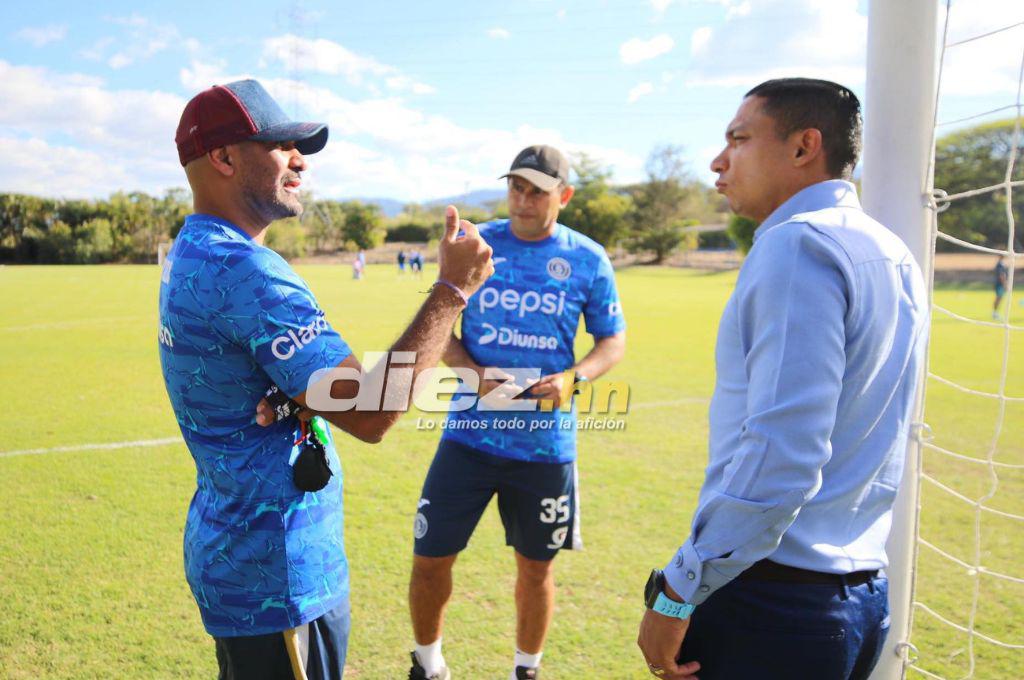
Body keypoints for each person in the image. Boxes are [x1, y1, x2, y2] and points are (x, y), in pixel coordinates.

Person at [159, 79, 493, 680]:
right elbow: (372, 412)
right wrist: (451, 291)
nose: (300, 160)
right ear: (225, 158)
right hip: (276, 576)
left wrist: (296, 401)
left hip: (237, 555)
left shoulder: (194, 249)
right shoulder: (246, 270)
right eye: (280, 145)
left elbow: (250, 379)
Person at [636, 78, 929, 680]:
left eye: (738, 139)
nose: (718, 161)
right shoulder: (892, 252)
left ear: (804, 147)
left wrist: (677, 590)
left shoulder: (796, 246)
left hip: (774, 604)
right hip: (861, 596)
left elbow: (783, 455)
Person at [407, 145, 627, 680]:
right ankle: (428, 664)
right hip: (468, 440)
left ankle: (525, 670)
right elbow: (439, 326)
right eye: (516, 188)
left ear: (564, 196)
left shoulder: (587, 258)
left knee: (535, 570)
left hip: (543, 448)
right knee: (430, 559)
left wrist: (577, 377)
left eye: (537, 190)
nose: (523, 200)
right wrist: (469, 371)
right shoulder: (477, 246)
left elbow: (611, 340)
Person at [994, 256, 1008, 320]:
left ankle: (995, 313)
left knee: (999, 298)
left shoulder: (1001, 264)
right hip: (1000, 285)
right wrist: (1004, 284)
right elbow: (1002, 275)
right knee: (998, 298)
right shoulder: (1000, 265)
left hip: (1000, 284)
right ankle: (995, 313)